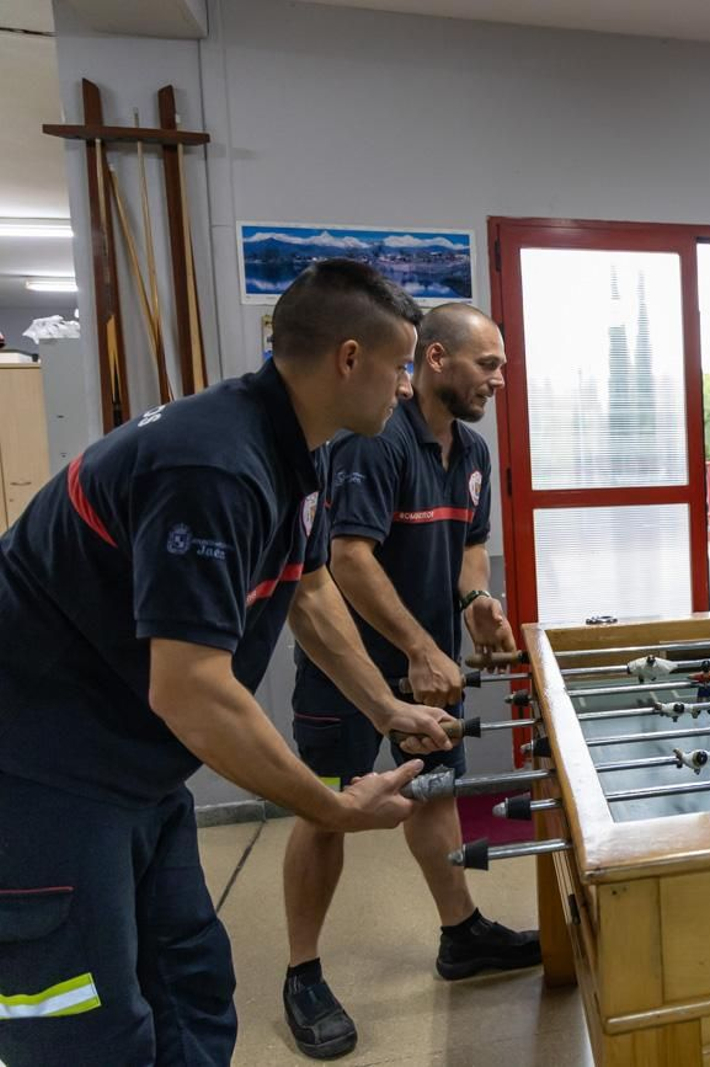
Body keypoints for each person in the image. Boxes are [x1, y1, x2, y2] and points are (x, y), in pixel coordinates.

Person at [0, 258, 452, 1066]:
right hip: (40, 767)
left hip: (137, 763)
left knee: (190, 981)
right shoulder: (212, 464)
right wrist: (328, 804)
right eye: (401, 365)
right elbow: (193, 691)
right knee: (84, 1025)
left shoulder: (301, 445)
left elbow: (310, 589)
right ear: (349, 358)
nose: (408, 385)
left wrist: (385, 707)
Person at [283, 303, 537, 1059]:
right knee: (325, 810)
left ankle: (460, 933)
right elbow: (349, 559)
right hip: (347, 669)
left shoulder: (473, 451)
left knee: (435, 791)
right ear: (435, 359)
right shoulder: (376, 440)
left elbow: (471, 546)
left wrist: (476, 600)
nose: (499, 378)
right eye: (487, 364)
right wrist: (421, 647)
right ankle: (302, 972)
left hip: (428, 665)